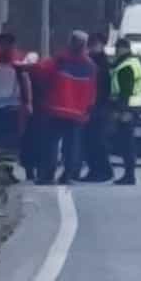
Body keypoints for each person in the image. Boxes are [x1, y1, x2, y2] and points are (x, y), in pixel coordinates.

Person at [35, 31, 97, 185]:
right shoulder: (90, 66)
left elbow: (41, 72)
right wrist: (88, 109)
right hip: (77, 112)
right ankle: (67, 175)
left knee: (51, 143)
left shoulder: (60, 60)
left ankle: (47, 175)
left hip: (56, 108)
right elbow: (92, 90)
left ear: (70, 42)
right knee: (71, 146)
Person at [111, 38, 141, 186]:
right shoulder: (131, 62)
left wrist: (121, 111)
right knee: (127, 143)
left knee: (127, 144)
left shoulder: (126, 65)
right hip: (133, 107)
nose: (117, 51)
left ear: (124, 48)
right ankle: (129, 174)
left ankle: (129, 175)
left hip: (127, 108)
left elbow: (125, 90)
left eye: (119, 48)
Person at [82, 32, 114, 182]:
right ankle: (95, 170)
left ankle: (102, 171)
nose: (92, 46)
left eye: (95, 44)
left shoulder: (102, 63)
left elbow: (103, 86)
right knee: (90, 141)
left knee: (96, 141)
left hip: (99, 106)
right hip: (93, 105)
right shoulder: (94, 60)